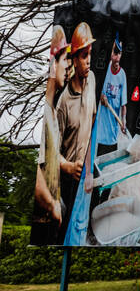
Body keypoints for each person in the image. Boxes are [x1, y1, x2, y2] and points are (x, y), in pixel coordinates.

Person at [54, 21, 98, 242]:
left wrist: (89, 167)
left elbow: (92, 121)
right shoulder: (63, 102)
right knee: (66, 235)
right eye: (83, 55)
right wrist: (69, 166)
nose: (88, 60)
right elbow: (52, 150)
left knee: (83, 230)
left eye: (90, 54)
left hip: (87, 177)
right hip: (69, 181)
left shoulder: (93, 82)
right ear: (73, 59)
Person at [32, 26, 70, 245]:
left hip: (51, 221)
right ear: (52, 64)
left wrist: (66, 165)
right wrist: (53, 204)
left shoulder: (52, 111)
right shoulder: (44, 113)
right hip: (42, 222)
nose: (68, 67)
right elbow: (38, 173)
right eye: (64, 60)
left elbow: (50, 155)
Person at [94, 35, 128, 159]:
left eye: (120, 53)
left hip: (112, 134)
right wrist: (100, 96)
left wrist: (123, 121)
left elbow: (123, 104)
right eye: (115, 52)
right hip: (100, 132)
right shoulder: (104, 68)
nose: (117, 56)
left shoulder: (122, 75)